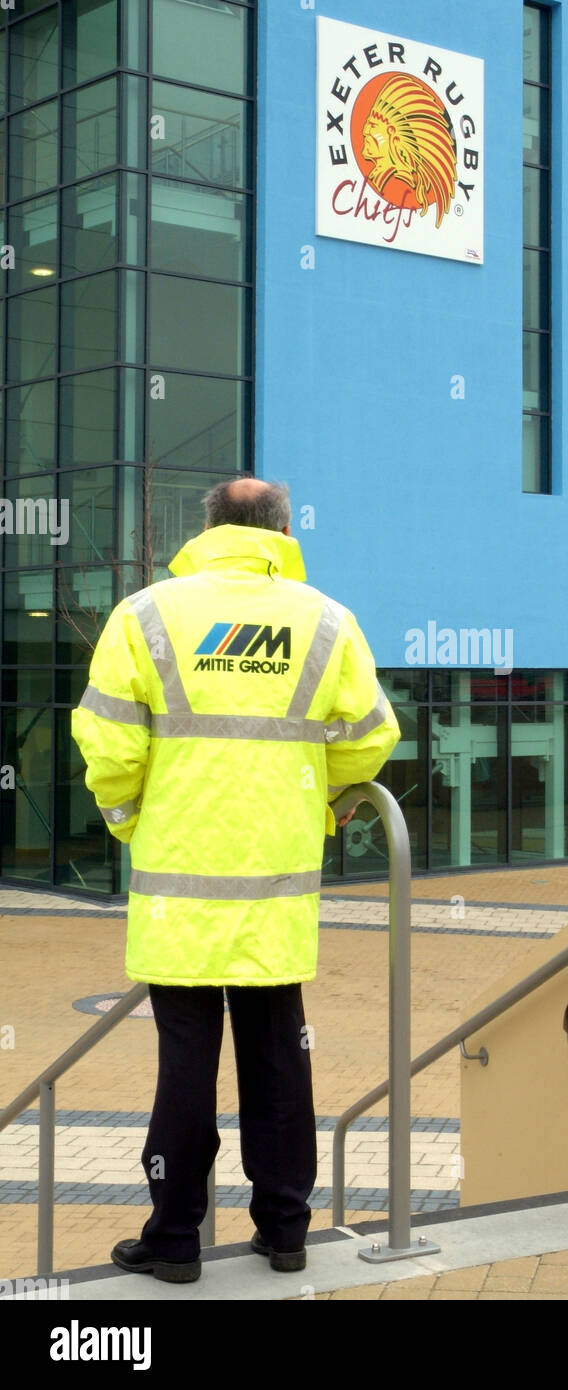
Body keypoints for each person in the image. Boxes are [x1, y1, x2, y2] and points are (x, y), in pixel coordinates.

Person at [71, 478, 400, 1283]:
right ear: (281, 530)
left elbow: (110, 748)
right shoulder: (326, 620)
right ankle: (286, 1230)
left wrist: (126, 821)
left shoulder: (144, 615)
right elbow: (368, 738)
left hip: (177, 894)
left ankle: (175, 1238)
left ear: (207, 526)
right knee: (279, 1054)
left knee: (184, 1065)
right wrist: (326, 804)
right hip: (276, 890)